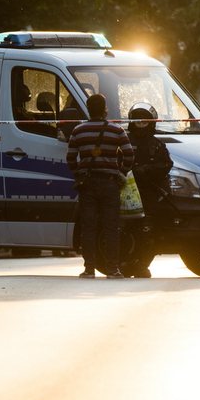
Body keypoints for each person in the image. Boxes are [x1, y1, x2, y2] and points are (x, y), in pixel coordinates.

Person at [66, 93, 135, 278]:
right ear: (105, 109)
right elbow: (129, 155)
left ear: (88, 109)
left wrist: (78, 174)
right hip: (110, 184)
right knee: (111, 227)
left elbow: (70, 157)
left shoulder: (78, 131)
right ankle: (113, 269)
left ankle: (89, 269)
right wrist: (121, 173)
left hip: (87, 184)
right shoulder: (117, 130)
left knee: (88, 227)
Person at [126, 102, 174, 278]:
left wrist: (147, 170)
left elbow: (167, 165)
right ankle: (122, 263)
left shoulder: (157, 145)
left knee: (150, 232)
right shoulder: (123, 141)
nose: (140, 123)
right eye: (137, 120)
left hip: (150, 195)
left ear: (151, 122)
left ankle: (142, 265)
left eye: (144, 120)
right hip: (126, 194)